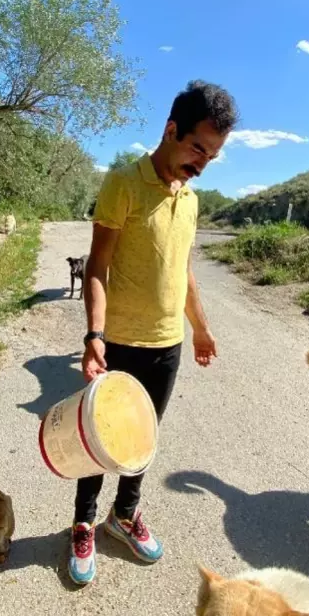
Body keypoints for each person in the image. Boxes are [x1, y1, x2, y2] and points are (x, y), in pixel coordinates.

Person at [69, 80, 238, 585]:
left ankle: (124, 515)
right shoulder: (122, 183)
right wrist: (94, 336)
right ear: (171, 130)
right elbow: (97, 267)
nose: (202, 162)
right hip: (117, 340)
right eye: (196, 148)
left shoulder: (190, 200)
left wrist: (201, 328)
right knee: (98, 439)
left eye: (212, 155)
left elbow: (182, 270)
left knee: (142, 438)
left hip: (167, 345)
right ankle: (83, 521)